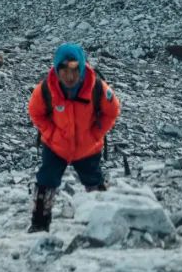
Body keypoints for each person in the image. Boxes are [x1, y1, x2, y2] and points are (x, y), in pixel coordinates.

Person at [27, 43, 120, 233]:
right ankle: (39, 224)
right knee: (45, 182)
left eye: (74, 71)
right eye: (64, 71)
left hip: (87, 148)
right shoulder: (46, 89)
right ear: (56, 69)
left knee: (94, 182)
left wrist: (95, 134)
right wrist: (53, 135)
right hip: (56, 147)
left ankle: (104, 222)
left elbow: (112, 111)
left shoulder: (97, 88)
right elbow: (36, 113)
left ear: (82, 68)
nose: (69, 77)